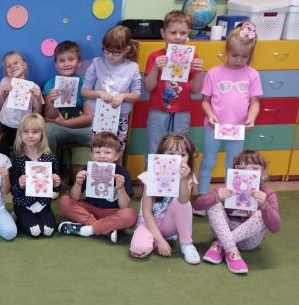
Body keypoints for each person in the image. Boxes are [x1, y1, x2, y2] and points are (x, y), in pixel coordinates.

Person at [197, 22, 262, 201]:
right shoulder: (214, 73)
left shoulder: (253, 75)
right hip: (214, 127)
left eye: (244, 56)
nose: (239, 60)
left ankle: (232, 198)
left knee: (234, 165)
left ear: (250, 55)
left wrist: (251, 118)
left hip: (238, 129)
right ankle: (203, 196)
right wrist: (210, 115)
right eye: (235, 55)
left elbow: (255, 103)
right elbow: (205, 101)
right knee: (208, 161)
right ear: (227, 50)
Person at [194, 150, 281, 275]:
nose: (249, 173)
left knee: (261, 215)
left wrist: (265, 205)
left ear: (263, 173)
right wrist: (216, 197)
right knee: (214, 203)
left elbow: (275, 227)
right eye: (243, 168)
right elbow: (197, 205)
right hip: (224, 231)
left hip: (248, 241)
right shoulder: (227, 188)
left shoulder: (268, 193)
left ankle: (221, 245)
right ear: (234, 172)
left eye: (254, 168)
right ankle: (232, 251)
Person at [143, 10, 205, 162]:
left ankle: (178, 177)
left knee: (179, 151)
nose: (178, 37)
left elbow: (195, 90)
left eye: (183, 33)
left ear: (188, 34)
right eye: (173, 33)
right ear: (163, 33)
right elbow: (148, 87)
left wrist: (199, 72)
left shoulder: (193, 57)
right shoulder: (155, 56)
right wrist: (155, 68)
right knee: (154, 149)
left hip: (182, 113)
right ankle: (151, 177)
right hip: (158, 111)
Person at [130, 134, 201, 264]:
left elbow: (184, 201)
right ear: (161, 155)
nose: (176, 159)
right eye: (171, 154)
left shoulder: (187, 176)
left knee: (182, 202)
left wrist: (183, 180)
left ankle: (187, 244)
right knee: (138, 250)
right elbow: (146, 212)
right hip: (149, 223)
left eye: (182, 155)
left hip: (170, 224)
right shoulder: (150, 175)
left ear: (189, 158)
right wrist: (160, 240)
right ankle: (156, 239)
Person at [58, 131, 137, 243]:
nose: (102, 156)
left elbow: (124, 206)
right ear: (91, 155)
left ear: (116, 156)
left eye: (107, 152)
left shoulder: (122, 173)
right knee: (64, 201)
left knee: (130, 215)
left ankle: (88, 229)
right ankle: (105, 229)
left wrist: (120, 188)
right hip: (90, 210)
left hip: (112, 212)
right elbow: (75, 198)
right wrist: (78, 183)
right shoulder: (87, 169)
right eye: (97, 152)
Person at [81, 26, 142, 158]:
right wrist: (99, 93)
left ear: (126, 49)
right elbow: (84, 91)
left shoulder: (132, 67)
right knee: (98, 152)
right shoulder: (96, 63)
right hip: (99, 116)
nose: (110, 55)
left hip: (121, 119)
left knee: (117, 153)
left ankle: (117, 172)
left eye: (116, 52)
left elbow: (137, 95)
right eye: (107, 51)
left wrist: (123, 96)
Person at [9, 113, 61, 238]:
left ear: (42, 134)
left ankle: (31, 216)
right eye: (26, 131)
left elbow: (55, 188)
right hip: (23, 203)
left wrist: (56, 184)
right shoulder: (18, 159)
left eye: (35, 132)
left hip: (43, 203)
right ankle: (19, 214)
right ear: (20, 134)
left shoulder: (50, 158)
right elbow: (13, 190)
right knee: (35, 231)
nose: (30, 135)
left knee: (48, 230)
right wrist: (19, 185)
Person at [42, 40, 94, 163]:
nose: (66, 64)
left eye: (71, 59)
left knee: (102, 135)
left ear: (79, 62)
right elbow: (49, 117)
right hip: (58, 128)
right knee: (47, 130)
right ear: (56, 65)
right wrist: (52, 102)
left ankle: (101, 171)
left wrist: (65, 123)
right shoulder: (50, 85)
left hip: (82, 128)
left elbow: (89, 117)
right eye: (62, 60)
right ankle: (50, 170)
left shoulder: (85, 84)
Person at [0, 51, 42, 157]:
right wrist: (3, 94)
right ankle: (4, 164)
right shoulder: (5, 82)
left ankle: (21, 164)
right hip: (4, 124)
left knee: (23, 151)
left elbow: (37, 113)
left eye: (15, 63)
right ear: (6, 71)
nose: (12, 67)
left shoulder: (34, 87)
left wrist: (38, 99)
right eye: (8, 66)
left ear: (24, 65)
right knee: (2, 146)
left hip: (24, 126)